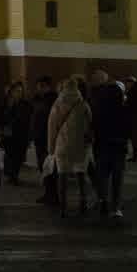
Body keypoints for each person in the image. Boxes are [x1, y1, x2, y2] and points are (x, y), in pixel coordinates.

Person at [46, 76, 93, 218]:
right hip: (80, 146)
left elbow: (52, 127)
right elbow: (90, 124)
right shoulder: (83, 103)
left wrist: (51, 148)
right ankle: (83, 204)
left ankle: (63, 208)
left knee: (62, 177)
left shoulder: (58, 104)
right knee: (81, 175)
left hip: (62, 145)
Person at [86, 73, 130, 220]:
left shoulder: (99, 110)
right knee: (117, 178)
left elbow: (94, 127)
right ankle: (116, 207)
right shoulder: (124, 110)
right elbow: (128, 129)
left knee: (102, 176)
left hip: (102, 147)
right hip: (119, 147)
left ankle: (103, 200)